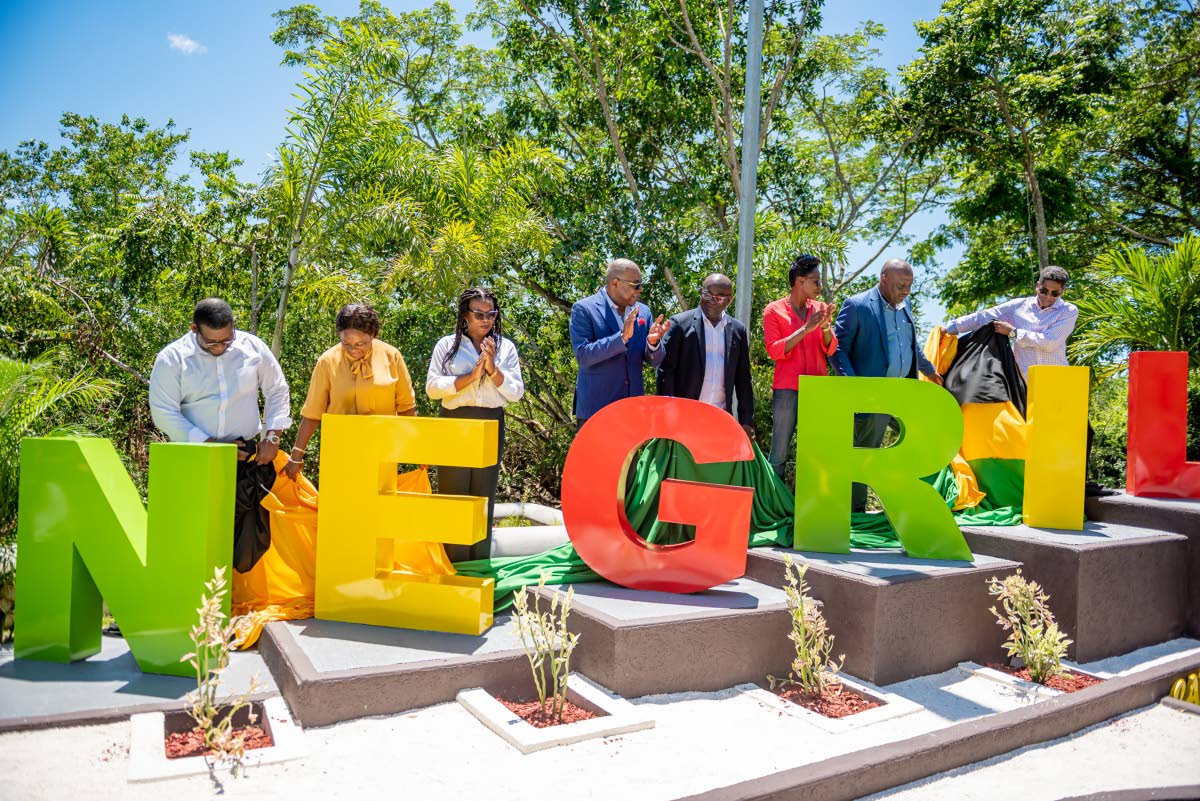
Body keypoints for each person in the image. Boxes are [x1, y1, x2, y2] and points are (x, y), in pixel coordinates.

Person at [149, 297, 292, 572]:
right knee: (197, 535)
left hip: (248, 461)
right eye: (212, 343)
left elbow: (277, 390)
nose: (221, 348)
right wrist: (211, 445)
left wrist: (272, 438)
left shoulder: (252, 348)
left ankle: (235, 600)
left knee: (245, 540)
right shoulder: (172, 358)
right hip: (195, 461)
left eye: (227, 340)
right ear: (194, 329)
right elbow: (164, 412)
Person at [831, 259, 943, 512]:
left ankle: (909, 505)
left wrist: (929, 370)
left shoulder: (906, 304)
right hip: (871, 397)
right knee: (865, 452)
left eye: (910, 286)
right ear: (884, 280)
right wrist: (853, 387)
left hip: (904, 393)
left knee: (920, 442)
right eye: (901, 285)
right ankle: (856, 513)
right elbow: (837, 350)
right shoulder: (857, 305)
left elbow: (909, 343)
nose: (906, 291)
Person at [425, 288, 524, 562]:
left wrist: (492, 369)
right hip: (454, 424)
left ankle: (479, 563)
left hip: (490, 422)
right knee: (453, 496)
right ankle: (452, 565)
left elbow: (515, 393)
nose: (486, 319)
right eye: (478, 314)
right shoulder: (447, 346)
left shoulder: (505, 348)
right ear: (464, 315)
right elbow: (432, 389)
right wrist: (471, 376)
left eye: (491, 314)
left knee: (483, 496)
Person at [285, 303, 417, 482]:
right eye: (346, 343)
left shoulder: (392, 356)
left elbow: (406, 408)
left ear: (373, 335)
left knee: (376, 508)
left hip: (381, 452)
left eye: (360, 344)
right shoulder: (327, 361)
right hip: (340, 452)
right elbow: (312, 413)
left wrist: (417, 450)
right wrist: (296, 455)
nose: (353, 350)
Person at [569, 258, 670, 427]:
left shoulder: (643, 311)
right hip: (596, 409)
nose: (640, 290)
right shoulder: (584, 309)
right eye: (635, 284)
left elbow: (654, 361)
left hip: (632, 410)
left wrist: (653, 343)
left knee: (631, 456)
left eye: (640, 284)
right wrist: (621, 338)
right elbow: (583, 356)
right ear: (615, 283)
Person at [763, 254, 837, 479]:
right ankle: (774, 507)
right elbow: (774, 350)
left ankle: (810, 506)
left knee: (815, 450)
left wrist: (824, 327)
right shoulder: (773, 310)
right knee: (779, 450)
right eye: (816, 281)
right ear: (801, 281)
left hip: (817, 389)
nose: (820, 286)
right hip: (787, 389)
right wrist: (806, 329)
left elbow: (831, 348)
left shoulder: (820, 308)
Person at [943, 266, 1078, 383]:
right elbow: (983, 317)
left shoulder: (1068, 311)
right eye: (1043, 291)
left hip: (1055, 379)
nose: (1048, 296)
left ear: (1062, 291)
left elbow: (1049, 343)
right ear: (1037, 285)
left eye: (1054, 293)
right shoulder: (1018, 306)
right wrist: (949, 328)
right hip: (1023, 380)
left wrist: (1013, 332)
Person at [656, 274, 754, 435]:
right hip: (685, 417)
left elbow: (743, 379)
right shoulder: (680, 324)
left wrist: (746, 421)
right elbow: (665, 373)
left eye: (719, 297)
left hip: (721, 416)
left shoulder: (738, 330)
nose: (711, 301)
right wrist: (668, 414)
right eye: (707, 294)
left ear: (729, 299)